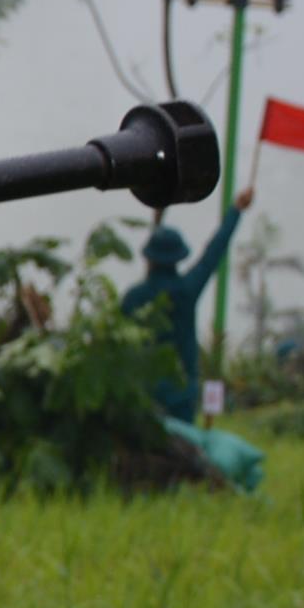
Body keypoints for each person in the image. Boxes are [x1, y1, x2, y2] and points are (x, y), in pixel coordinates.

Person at [124, 188, 263, 489]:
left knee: (143, 451)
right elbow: (213, 254)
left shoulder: (133, 299)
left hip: (143, 392)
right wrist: (235, 211)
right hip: (180, 392)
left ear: (149, 259)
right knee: (180, 453)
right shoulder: (186, 291)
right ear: (178, 258)